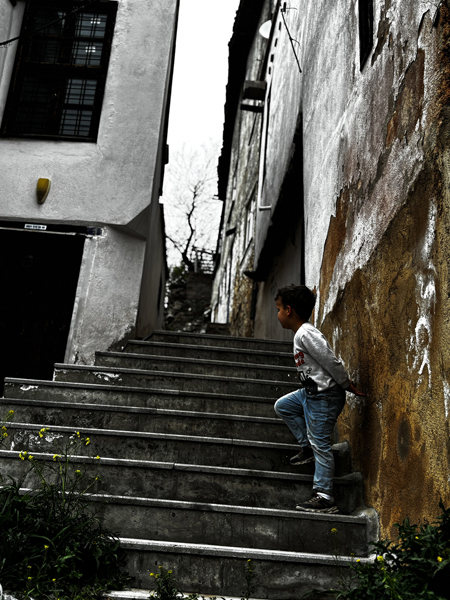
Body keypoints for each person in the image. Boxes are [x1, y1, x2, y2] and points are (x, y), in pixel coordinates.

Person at [274, 284, 365, 514]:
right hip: (310, 394)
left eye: (278, 309)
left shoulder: (307, 333)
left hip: (325, 395)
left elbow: (330, 360)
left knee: (321, 444)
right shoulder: (300, 334)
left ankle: (324, 496)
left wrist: (346, 384)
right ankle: (307, 448)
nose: (277, 314)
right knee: (283, 406)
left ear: (288, 310)